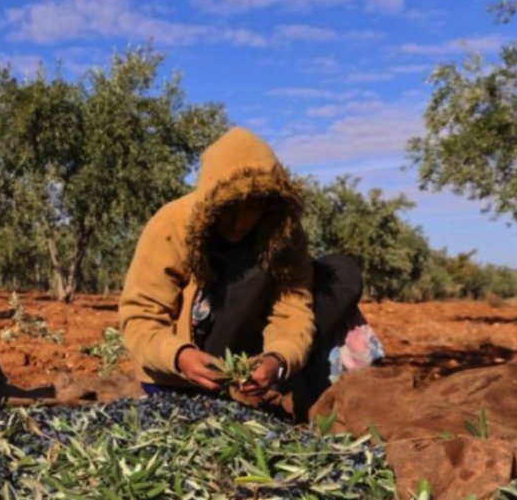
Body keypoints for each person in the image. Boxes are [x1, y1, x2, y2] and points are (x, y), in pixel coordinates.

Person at [118, 126, 383, 419]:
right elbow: (140, 318)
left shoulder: (283, 233)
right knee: (251, 276)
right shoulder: (171, 225)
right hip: (178, 374)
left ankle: (271, 371)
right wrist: (180, 357)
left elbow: (293, 311)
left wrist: (277, 359)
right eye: (229, 208)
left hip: (245, 349)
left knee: (341, 272)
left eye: (253, 207)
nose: (239, 222)